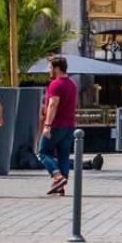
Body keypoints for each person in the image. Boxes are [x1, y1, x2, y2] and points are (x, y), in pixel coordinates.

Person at [37, 57, 80, 195]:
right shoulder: (72, 84)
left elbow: (53, 104)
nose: (49, 70)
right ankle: (61, 187)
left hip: (56, 124)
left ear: (57, 68)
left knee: (42, 152)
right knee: (63, 155)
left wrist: (47, 124)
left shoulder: (56, 84)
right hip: (69, 125)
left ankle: (58, 177)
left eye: (50, 67)